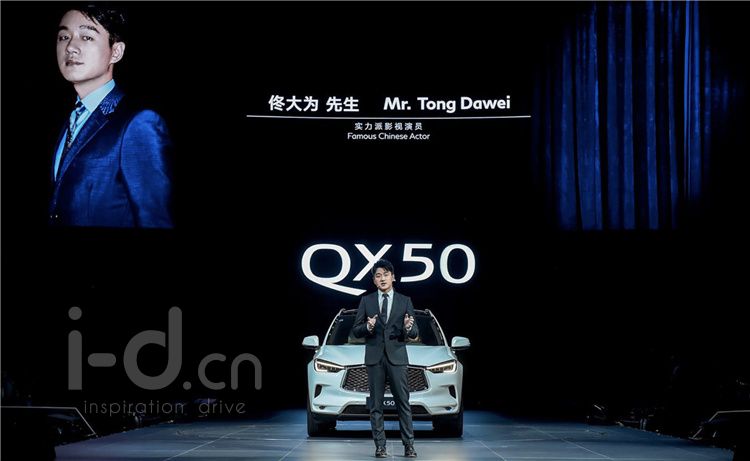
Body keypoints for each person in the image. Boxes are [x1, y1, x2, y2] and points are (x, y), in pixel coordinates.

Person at [49, 4, 173, 228]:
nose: (70, 47)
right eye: (64, 37)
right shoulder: (69, 119)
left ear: (116, 52)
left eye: (87, 37)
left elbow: (155, 220)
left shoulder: (138, 123)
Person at [352, 259, 419, 458]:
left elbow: (415, 332)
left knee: (403, 404)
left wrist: (408, 327)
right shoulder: (366, 301)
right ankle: (380, 446)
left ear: (393, 277)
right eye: (378, 275)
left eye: (386, 275)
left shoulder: (405, 300)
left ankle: (409, 445)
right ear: (374, 280)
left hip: (397, 357)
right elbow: (356, 331)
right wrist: (368, 327)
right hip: (375, 358)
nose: (382, 279)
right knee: (376, 406)